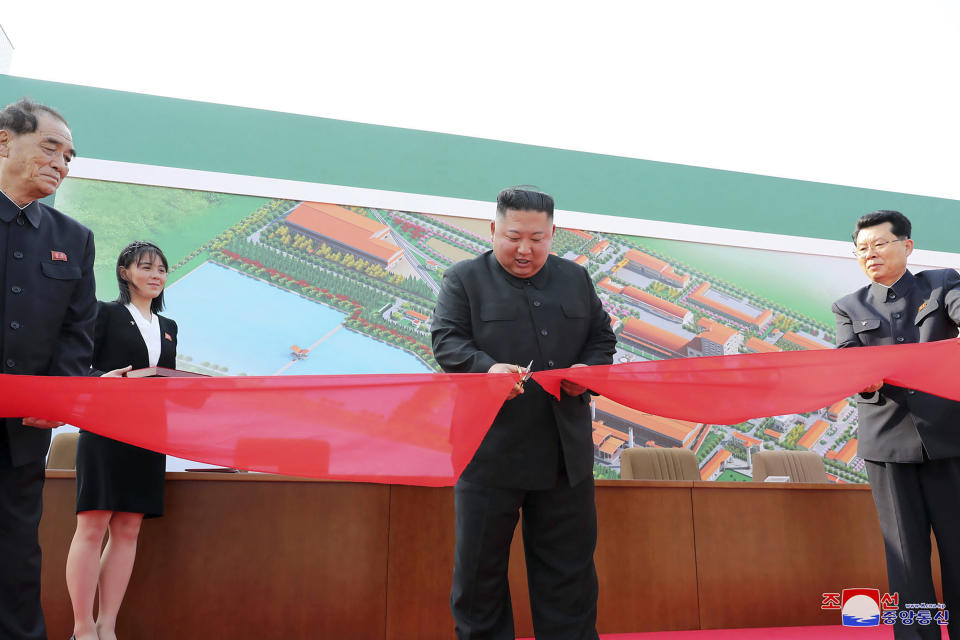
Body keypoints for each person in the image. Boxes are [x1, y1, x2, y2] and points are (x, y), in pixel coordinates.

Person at [431, 187, 617, 640]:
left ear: (553, 234)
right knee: (480, 578)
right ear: (494, 229)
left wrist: (587, 372)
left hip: (563, 457)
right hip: (490, 453)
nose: (525, 249)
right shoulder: (463, 279)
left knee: (569, 577)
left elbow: (601, 340)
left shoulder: (575, 279)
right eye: (514, 237)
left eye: (538, 238)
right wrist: (487, 369)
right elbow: (447, 341)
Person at [832, 210, 960, 639]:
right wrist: (860, 378)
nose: (870, 254)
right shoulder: (848, 307)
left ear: (907, 245)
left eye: (879, 244)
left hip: (949, 439)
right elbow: (849, 362)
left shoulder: (942, 284)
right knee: (906, 558)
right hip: (886, 446)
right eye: (861, 249)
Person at [0, 97, 97, 640]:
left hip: (22, 436)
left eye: (69, 156)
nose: (61, 162)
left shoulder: (72, 240)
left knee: (16, 556)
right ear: (4, 141)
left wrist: (58, 398)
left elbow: (76, 334)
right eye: (51, 147)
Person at [65, 241, 178, 640]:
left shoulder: (168, 327)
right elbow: (79, 364)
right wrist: (100, 381)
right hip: (105, 429)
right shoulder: (105, 313)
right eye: (146, 267)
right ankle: (82, 628)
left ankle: (107, 625)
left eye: (162, 269)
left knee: (128, 527)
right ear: (124, 272)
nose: (156, 275)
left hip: (149, 434)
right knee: (93, 524)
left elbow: (166, 378)